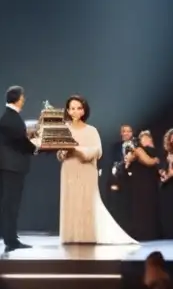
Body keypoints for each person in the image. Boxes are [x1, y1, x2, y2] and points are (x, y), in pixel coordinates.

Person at [57, 95, 136, 244]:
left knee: (86, 202)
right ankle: (70, 236)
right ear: (68, 110)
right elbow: (59, 154)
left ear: (83, 110)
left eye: (78, 108)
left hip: (86, 169)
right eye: (72, 108)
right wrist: (64, 151)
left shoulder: (91, 130)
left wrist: (78, 150)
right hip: (69, 169)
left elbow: (98, 151)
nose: (75, 111)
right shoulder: (64, 130)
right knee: (71, 201)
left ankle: (86, 235)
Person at [0, 85, 39, 251]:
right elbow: (20, 141)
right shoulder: (11, 118)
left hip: (11, 165)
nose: (24, 99)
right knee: (10, 204)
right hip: (11, 165)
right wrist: (34, 148)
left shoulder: (11, 117)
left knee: (11, 203)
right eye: (23, 97)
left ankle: (11, 237)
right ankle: (11, 240)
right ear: (18, 99)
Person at [126, 130, 161, 241]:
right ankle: (142, 233)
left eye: (148, 137)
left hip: (151, 183)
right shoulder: (137, 150)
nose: (147, 139)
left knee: (150, 207)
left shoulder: (155, 150)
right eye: (144, 138)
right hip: (140, 184)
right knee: (141, 208)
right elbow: (148, 161)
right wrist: (154, 160)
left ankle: (151, 233)